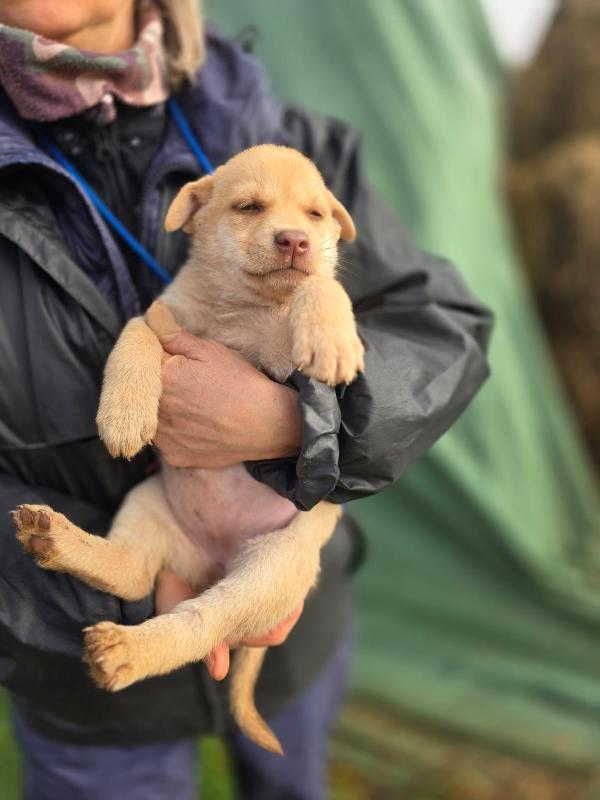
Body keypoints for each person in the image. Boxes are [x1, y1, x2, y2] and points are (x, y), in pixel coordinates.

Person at [0, 1, 492, 798]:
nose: (291, 232)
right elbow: (151, 332)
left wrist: (293, 424)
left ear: (334, 225)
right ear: (192, 210)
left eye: (310, 219)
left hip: (296, 627)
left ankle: (176, 626)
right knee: (142, 538)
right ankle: (120, 581)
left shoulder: (296, 137)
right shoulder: (203, 253)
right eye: (253, 208)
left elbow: (444, 329)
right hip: (78, 676)